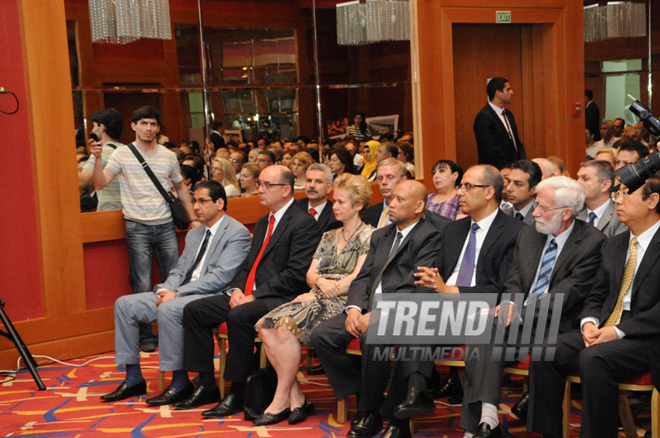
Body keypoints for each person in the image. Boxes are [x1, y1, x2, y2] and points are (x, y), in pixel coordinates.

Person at [460, 176, 606, 438]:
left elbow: (566, 295)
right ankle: (486, 417)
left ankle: (481, 425)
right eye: (536, 204)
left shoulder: (592, 242)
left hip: (558, 327)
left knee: (488, 328)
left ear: (566, 214)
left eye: (543, 208)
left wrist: (515, 314)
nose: (535, 212)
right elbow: (514, 280)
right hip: (516, 325)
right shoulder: (529, 233)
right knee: (482, 327)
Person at [390, 165, 525, 437]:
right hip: (441, 309)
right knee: (412, 305)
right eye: (460, 186)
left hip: (481, 310)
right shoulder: (454, 230)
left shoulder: (514, 231)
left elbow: (503, 289)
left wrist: (451, 291)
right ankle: (416, 393)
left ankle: (418, 398)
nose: (459, 193)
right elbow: (438, 275)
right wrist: (431, 280)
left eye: (467, 187)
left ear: (489, 192)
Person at [176, 165, 322, 415]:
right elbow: (248, 263)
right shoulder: (265, 221)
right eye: (259, 184)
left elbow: (296, 274)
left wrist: (255, 294)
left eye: (267, 185)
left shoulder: (303, 223)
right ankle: (207, 384)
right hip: (250, 293)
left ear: (286, 190)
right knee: (195, 310)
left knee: (239, 316)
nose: (259, 190)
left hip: (281, 297)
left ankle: (237, 390)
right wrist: (236, 290)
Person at [310, 180, 444, 438]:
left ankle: (368, 411)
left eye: (400, 200)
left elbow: (419, 287)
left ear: (419, 206)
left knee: (374, 337)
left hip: (403, 310)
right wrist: (353, 309)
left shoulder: (430, 235)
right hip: (366, 308)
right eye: (391, 198)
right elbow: (362, 278)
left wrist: (381, 312)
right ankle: (369, 389)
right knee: (321, 335)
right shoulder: (381, 235)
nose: (391, 204)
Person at [528, 177, 660, 438]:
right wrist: (588, 322)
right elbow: (597, 293)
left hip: (648, 336)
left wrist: (618, 331)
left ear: (652, 201)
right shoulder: (614, 244)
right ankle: (549, 434)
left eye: (625, 195)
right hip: (606, 327)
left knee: (594, 358)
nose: (617, 200)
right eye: (617, 194)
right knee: (546, 350)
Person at [100, 181, 251, 405]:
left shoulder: (236, 232)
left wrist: (177, 293)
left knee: (169, 309)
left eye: (202, 201)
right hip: (181, 292)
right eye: (193, 202)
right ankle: (133, 378)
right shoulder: (194, 234)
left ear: (220, 203)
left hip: (210, 296)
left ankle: (179, 382)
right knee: (124, 304)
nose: (196, 207)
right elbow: (180, 269)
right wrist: (167, 289)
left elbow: (221, 278)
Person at [252, 174, 374, 426]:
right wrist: (319, 284)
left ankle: (279, 399)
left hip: (343, 300)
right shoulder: (330, 235)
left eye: (340, 202)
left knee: (285, 328)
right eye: (335, 201)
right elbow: (310, 273)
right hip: (318, 293)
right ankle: (295, 397)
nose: (335, 207)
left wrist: (332, 288)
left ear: (358, 205)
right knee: (265, 325)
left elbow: (360, 276)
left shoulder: (371, 236)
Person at [91, 106, 197, 351]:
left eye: (153, 124)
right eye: (144, 123)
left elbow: (180, 187)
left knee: (175, 278)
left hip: (165, 224)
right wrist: (97, 158)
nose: (149, 129)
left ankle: (177, 327)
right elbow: (100, 182)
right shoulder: (122, 154)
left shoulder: (168, 156)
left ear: (158, 128)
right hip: (136, 225)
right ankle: (146, 334)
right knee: (141, 282)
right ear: (133, 126)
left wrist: (192, 218)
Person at [474, 77, 526, 169]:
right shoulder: (484, 117)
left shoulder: (508, 114)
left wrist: (522, 163)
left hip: (514, 168)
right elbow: (491, 148)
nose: (512, 92)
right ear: (498, 93)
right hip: (495, 170)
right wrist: (509, 165)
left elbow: (516, 142)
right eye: (508, 89)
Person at [79, 108, 124, 211]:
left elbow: (82, 180)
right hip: (128, 210)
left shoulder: (102, 153)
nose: (93, 130)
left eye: (94, 126)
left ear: (102, 127)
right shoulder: (127, 150)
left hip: (109, 210)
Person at [576, 160, 627, 237]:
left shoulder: (620, 215)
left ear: (605, 185)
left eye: (585, 178)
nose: (578, 183)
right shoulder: (574, 213)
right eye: (578, 178)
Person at [295, 164, 341, 233]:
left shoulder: (335, 215)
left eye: (318, 181)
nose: (312, 185)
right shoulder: (294, 207)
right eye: (309, 180)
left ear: (328, 188)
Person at [363, 158, 407, 228]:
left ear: (403, 180)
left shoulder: (410, 212)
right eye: (380, 178)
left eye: (390, 177)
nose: (383, 182)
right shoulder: (370, 212)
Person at [503, 159, 542, 225]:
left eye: (518, 184)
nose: (509, 188)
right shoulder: (502, 215)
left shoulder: (540, 218)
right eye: (509, 182)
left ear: (533, 190)